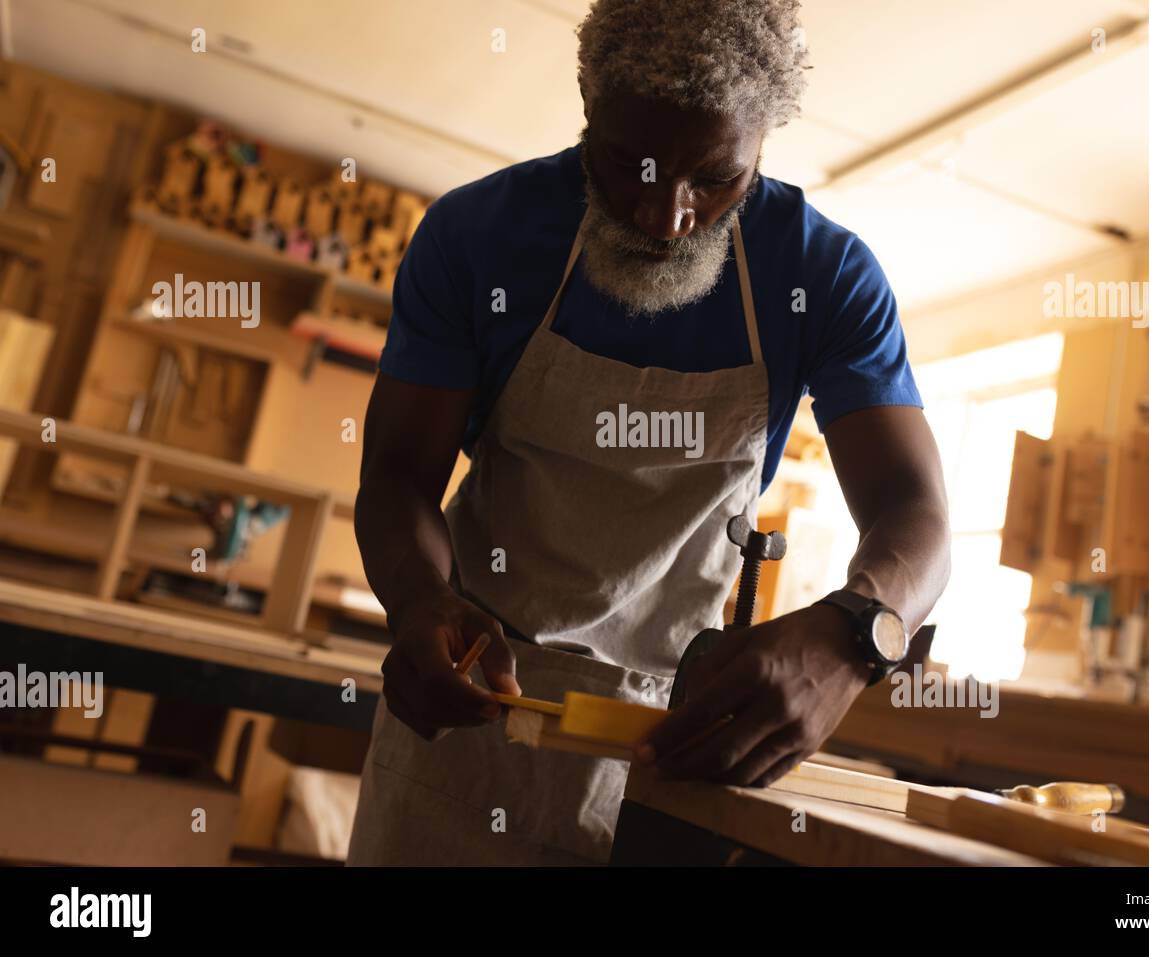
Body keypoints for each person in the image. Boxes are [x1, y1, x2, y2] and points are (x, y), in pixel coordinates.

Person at [347, 0, 950, 865]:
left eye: (714, 178)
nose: (665, 215)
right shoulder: (478, 238)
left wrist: (854, 638)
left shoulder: (820, 276)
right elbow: (399, 473)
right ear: (588, 104)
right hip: (473, 698)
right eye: (631, 165)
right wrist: (414, 600)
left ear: (764, 141)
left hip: (674, 736)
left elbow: (916, 511)